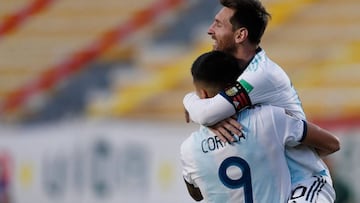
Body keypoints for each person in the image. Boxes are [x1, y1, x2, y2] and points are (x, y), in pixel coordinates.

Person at [182, 0, 337, 202]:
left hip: (304, 184)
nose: (210, 30)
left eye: (218, 24)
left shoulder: (260, 75)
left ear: (240, 35)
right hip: (276, 185)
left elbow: (206, 113)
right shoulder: (235, 72)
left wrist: (190, 101)